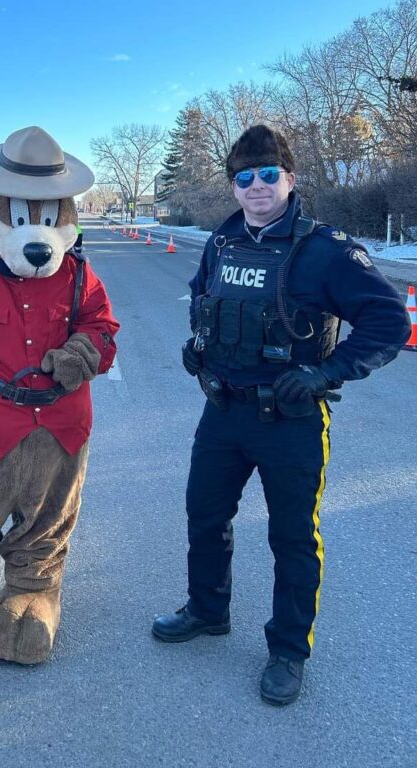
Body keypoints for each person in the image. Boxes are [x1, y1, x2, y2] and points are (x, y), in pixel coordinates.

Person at [151, 125, 411, 705]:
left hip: (290, 419)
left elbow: (390, 323)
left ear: (291, 179)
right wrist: (198, 345)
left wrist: (326, 373)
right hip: (222, 412)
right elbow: (203, 299)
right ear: (234, 186)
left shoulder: (326, 251)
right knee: (204, 516)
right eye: (245, 177)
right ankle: (207, 609)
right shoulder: (222, 243)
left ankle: (289, 650)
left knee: (293, 537)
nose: (257, 186)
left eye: (269, 174)